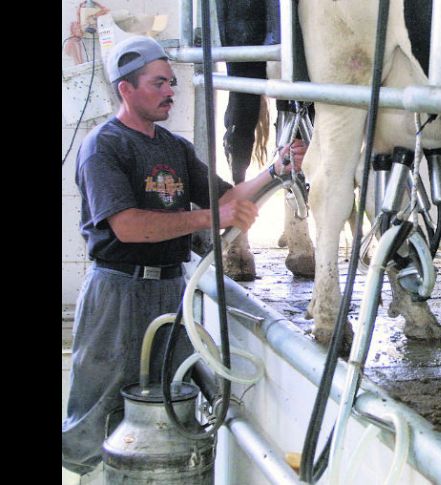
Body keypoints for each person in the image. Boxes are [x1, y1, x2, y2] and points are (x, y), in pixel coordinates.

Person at [61, 35, 307, 476]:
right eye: (159, 83)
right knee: (97, 404)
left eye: (171, 82)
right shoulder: (105, 145)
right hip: (117, 289)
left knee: (170, 395)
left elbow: (228, 197)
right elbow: (128, 226)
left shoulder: (174, 148)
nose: (170, 91)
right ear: (126, 88)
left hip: (171, 288)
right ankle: (87, 472)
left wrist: (278, 169)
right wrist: (211, 217)